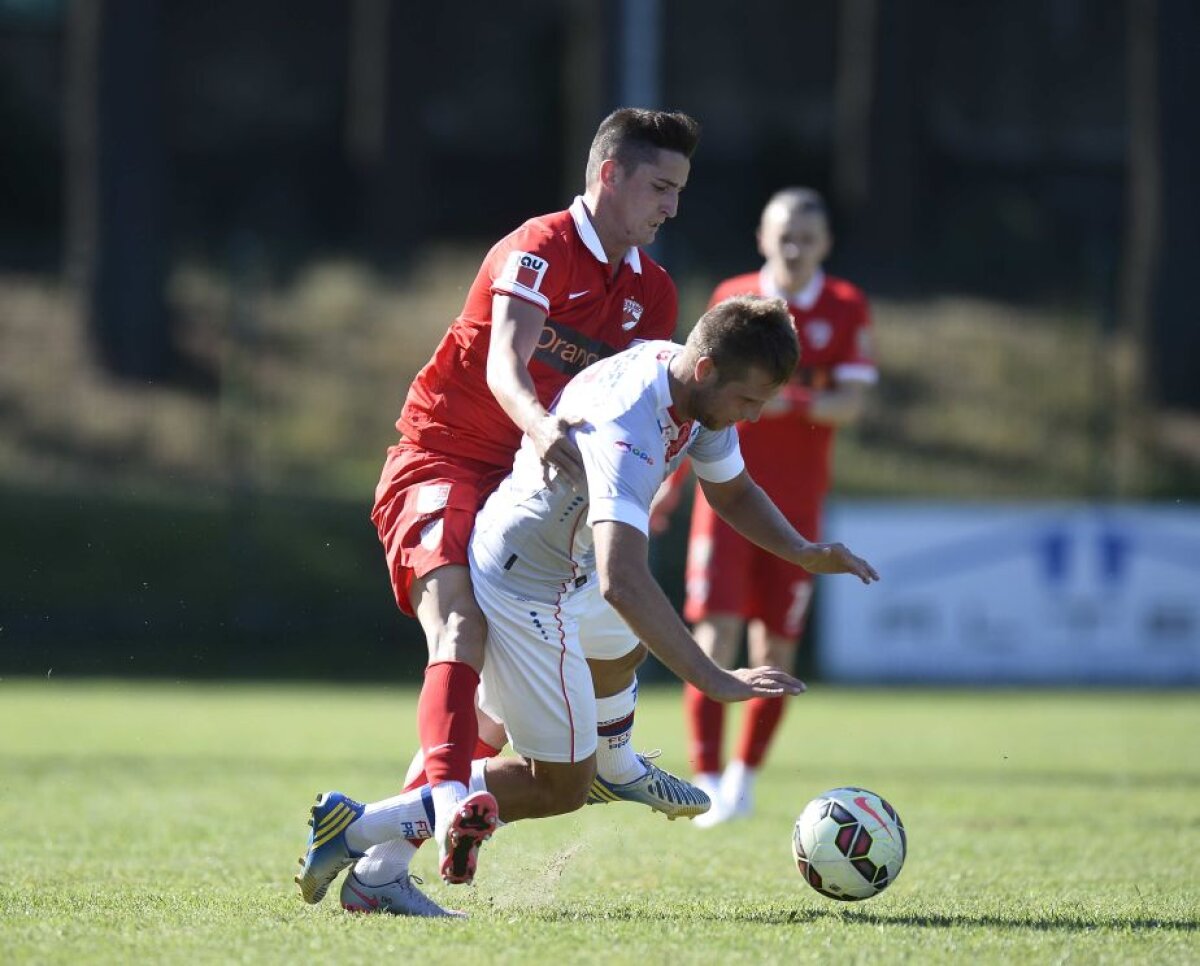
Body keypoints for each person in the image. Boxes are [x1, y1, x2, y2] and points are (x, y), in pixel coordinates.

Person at [295, 295, 881, 916]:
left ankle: (609, 765)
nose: (755, 418)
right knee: (558, 786)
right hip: (529, 586)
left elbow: (732, 492)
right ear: (706, 370)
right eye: (748, 401)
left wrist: (801, 550)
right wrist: (714, 678)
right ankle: (356, 829)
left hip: (563, 567)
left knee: (618, 647)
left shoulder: (686, 385)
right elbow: (622, 582)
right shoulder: (628, 427)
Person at [357, 109, 706, 901]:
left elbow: (639, 408)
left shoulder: (652, 292)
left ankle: (375, 868)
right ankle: (451, 800)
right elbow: (506, 371)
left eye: (680, 191)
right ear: (609, 174)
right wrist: (544, 427)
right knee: (459, 627)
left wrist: (643, 494)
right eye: (659, 186)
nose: (671, 208)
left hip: (534, 495)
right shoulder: (538, 247)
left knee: (509, 703)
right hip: (444, 457)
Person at [653, 187, 876, 827]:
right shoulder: (733, 300)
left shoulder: (845, 306)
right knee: (713, 635)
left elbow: (851, 404)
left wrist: (788, 402)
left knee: (776, 649)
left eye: (808, 237)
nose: (795, 248)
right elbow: (693, 401)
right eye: (784, 236)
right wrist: (668, 488)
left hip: (797, 509)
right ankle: (704, 779)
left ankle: (744, 780)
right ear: (762, 237)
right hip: (723, 503)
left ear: (825, 244)